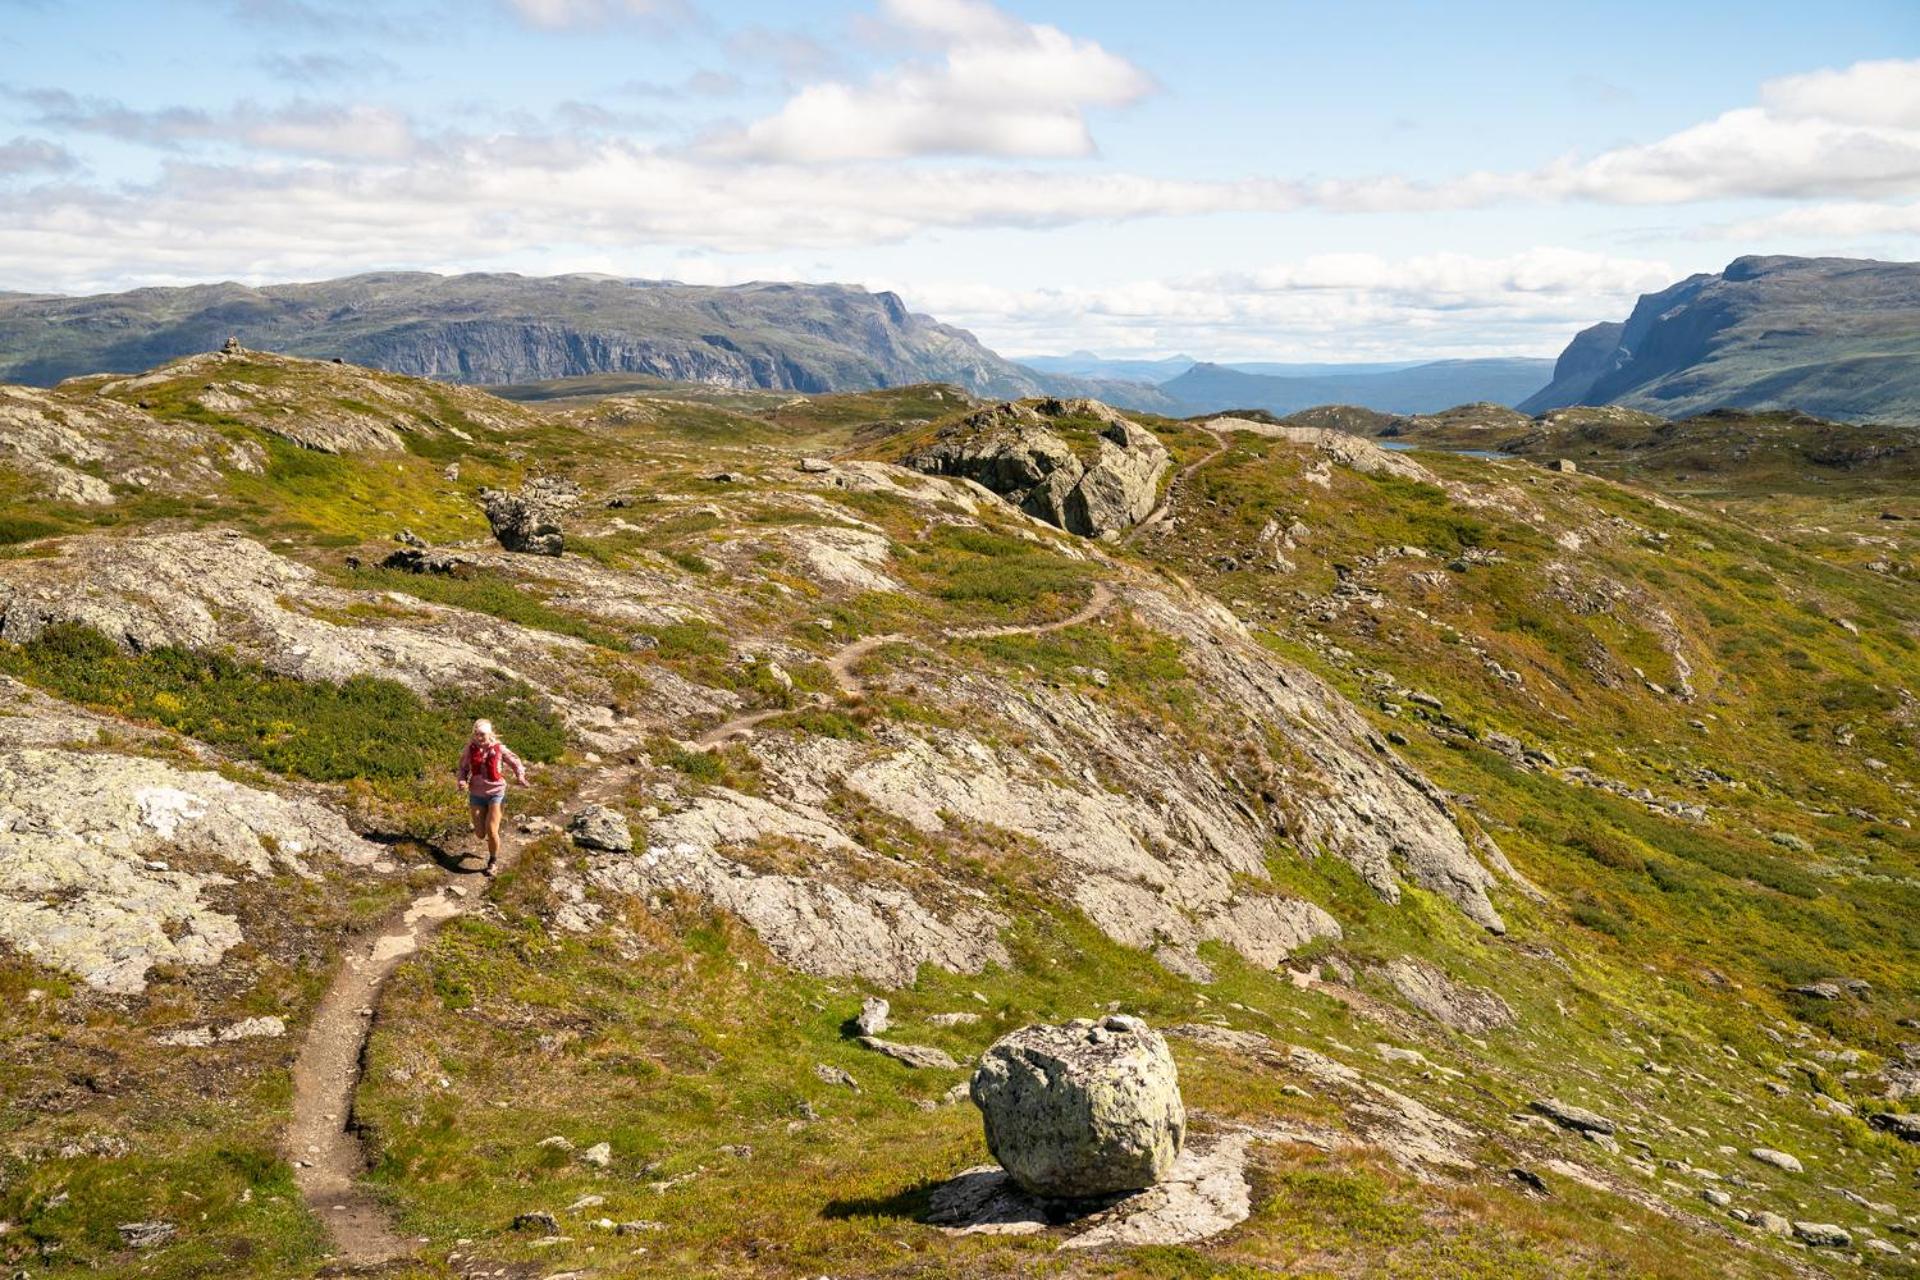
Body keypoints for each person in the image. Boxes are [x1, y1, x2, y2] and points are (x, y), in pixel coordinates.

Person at [456, 719, 529, 876]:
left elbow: (515, 762)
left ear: (489, 734)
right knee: (480, 833)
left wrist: (520, 776)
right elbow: (462, 768)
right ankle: (488, 845)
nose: (478, 737)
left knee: (491, 830)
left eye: (481, 734)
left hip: (496, 793)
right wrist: (462, 781)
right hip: (476, 794)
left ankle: (493, 861)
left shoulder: (499, 748)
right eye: (476, 734)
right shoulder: (470, 749)